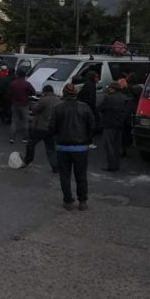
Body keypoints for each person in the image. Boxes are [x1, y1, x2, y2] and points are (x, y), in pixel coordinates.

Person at [49, 83, 95, 211]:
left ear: (64, 94)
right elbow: (92, 126)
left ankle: (68, 201)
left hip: (62, 147)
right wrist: (88, 139)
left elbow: (51, 128)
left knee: (65, 175)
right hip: (81, 148)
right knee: (81, 175)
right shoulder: (85, 107)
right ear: (76, 94)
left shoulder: (57, 108)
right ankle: (83, 202)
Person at [22, 84, 60, 171]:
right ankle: (55, 166)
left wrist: (36, 103)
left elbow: (34, 109)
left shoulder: (44, 100)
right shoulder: (58, 100)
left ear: (45, 92)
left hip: (40, 127)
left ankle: (27, 160)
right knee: (51, 148)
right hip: (51, 128)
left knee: (31, 143)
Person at [98, 81, 129, 172]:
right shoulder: (125, 98)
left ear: (113, 89)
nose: (109, 90)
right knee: (117, 146)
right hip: (120, 124)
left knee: (109, 146)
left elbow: (100, 108)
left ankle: (112, 165)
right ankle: (117, 164)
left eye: (110, 88)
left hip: (109, 124)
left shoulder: (109, 98)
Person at [7, 68, 35, 144]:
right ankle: (25, 138)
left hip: (14, 104)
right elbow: (33, 92)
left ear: (17, 75)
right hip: (24, 104)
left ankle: (12, 138)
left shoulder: (12, 83)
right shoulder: (27, 83)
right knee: (25, 121)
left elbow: (9, 94)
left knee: (14, 121)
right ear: (25, 75)